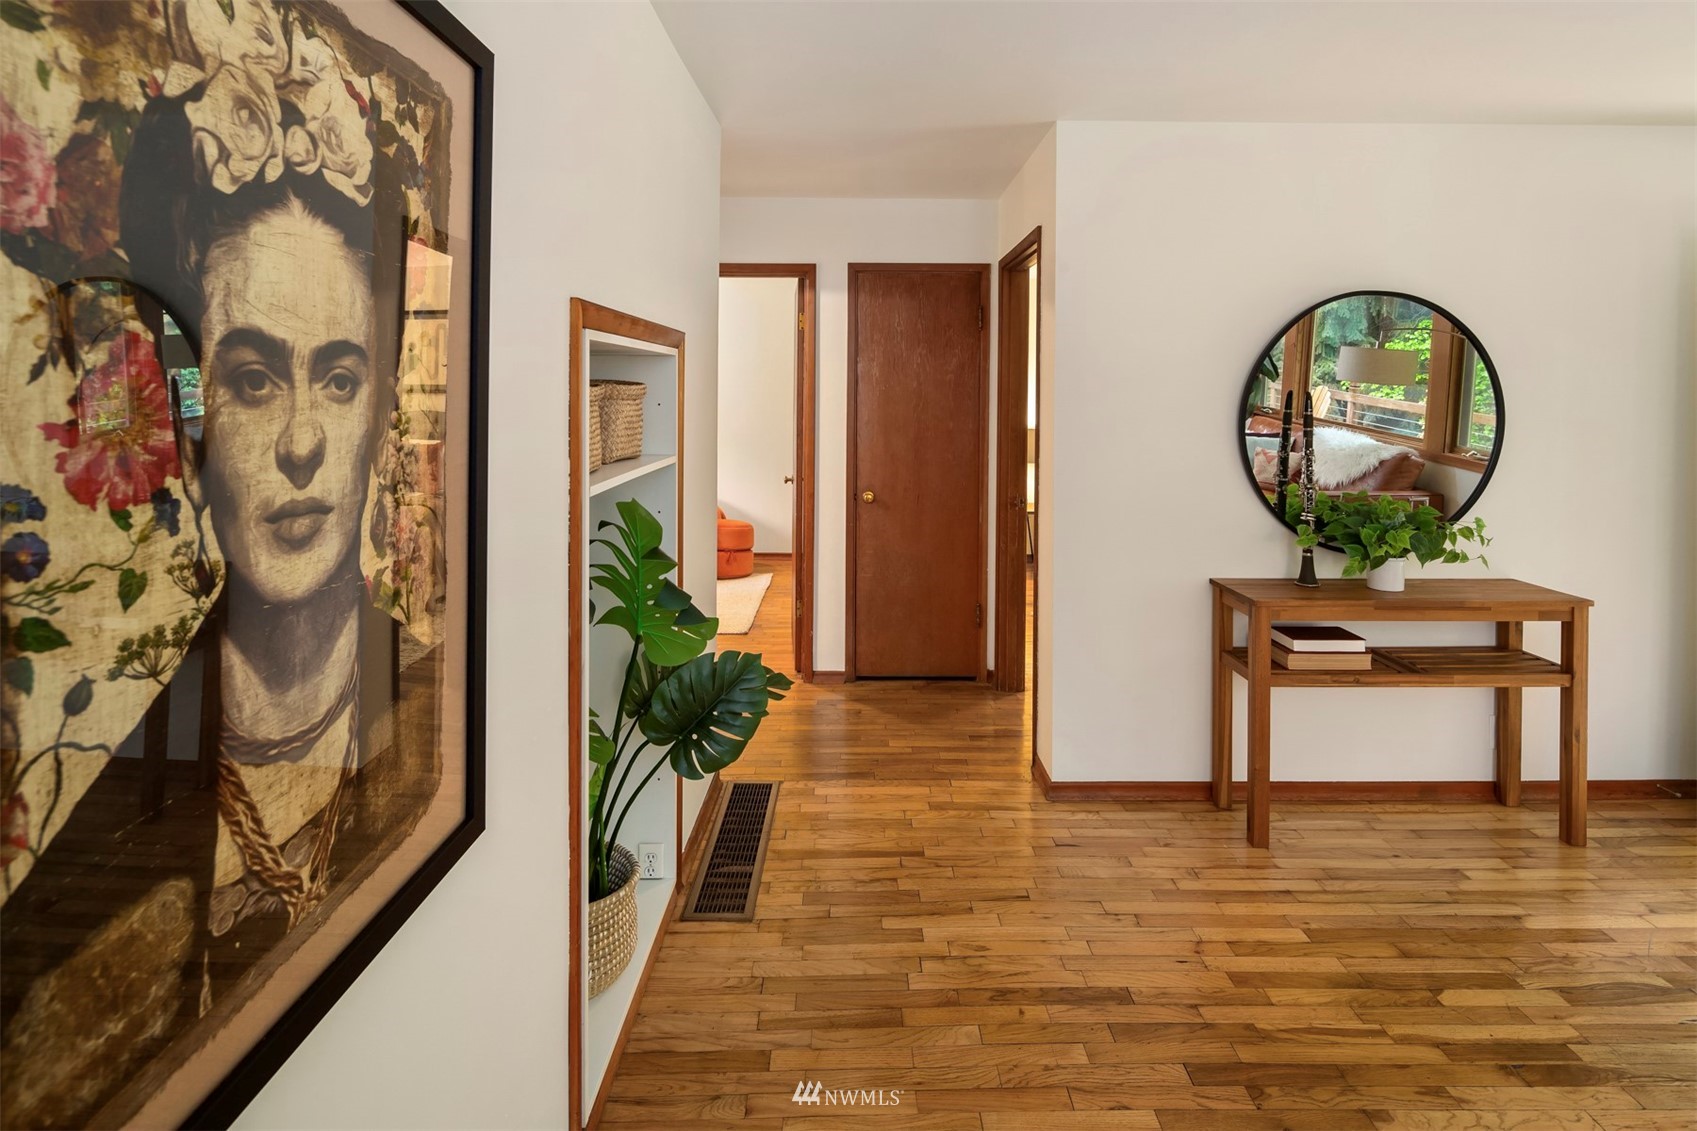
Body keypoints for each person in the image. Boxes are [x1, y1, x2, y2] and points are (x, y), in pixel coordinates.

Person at [0, 59, 436, 1130]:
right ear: (188, 411)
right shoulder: (102, 812)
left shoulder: (432, 715)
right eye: (250, 378)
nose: (299, 444)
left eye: (339, 378)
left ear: (382, 404)